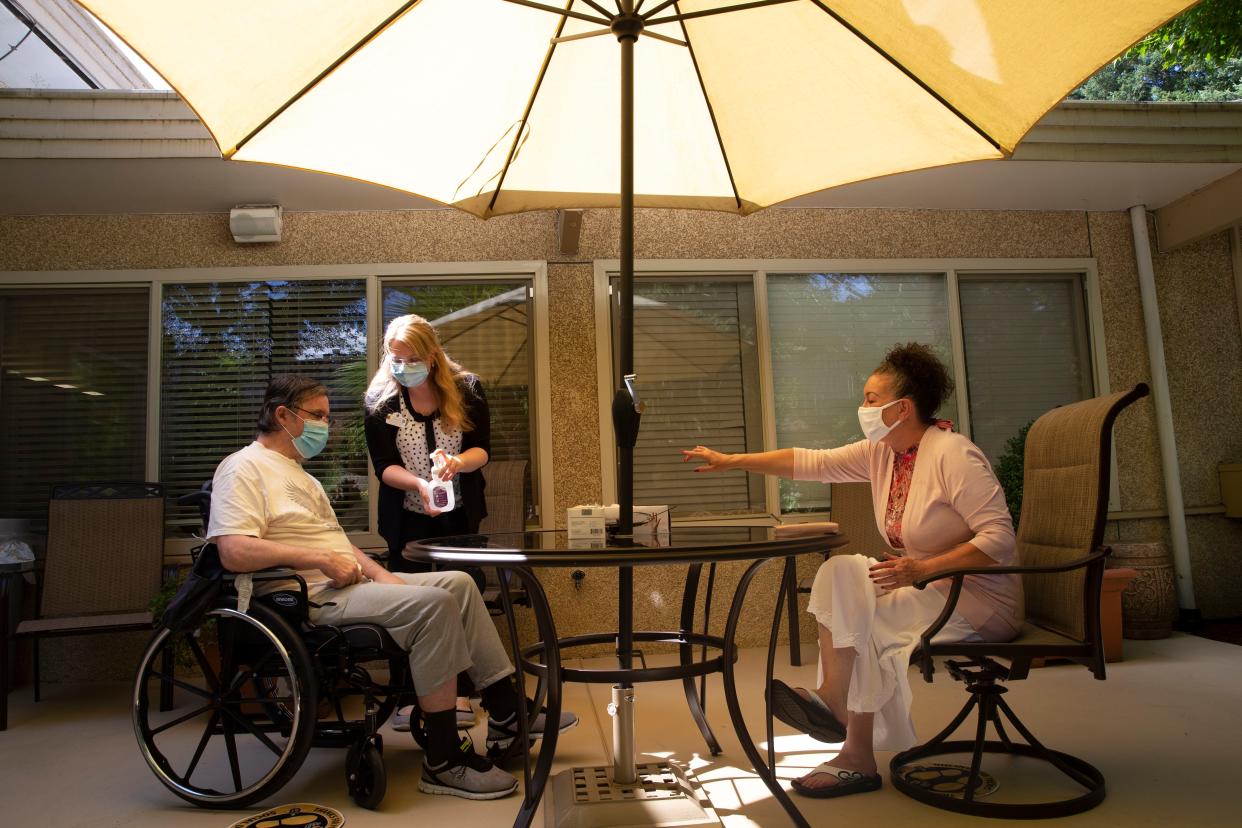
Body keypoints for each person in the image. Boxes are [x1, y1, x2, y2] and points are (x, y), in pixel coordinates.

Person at [682, 342, 1021, 799]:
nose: (862, 408)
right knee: (843, 573)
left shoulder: (953, 455)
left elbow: (999, 540)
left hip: (980, 601)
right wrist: (733, 461)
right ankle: (834, 698)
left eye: (870, 399)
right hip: (929, 588)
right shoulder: (886, 453)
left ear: (903, 408)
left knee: (864, 621)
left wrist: (922, 568)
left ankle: (855, 752)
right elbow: (811, 461)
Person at [209, 375, 558, 800]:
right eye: (318, 416)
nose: (326, 426)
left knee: (459, 584)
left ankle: (505, 711)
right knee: (435, 605)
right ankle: (444, 760)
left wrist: (384, 578)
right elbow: (233, 551)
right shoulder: (242, 467)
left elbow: (339, 547)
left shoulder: (302, 477)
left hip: (344, 584)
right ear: (282, 415)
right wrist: (319, 561)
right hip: (304, 599)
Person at [362, 314, 495, 731]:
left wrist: (457, 462)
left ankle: (461, 695)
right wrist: (419, 485)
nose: (403, 366)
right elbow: (383, 467)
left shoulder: (467, 390)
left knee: (463, 594)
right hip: (406, 517)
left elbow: (482, 451)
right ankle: (409, 697)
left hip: (460, 514)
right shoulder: (381, 401)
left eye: (413, 358)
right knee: (407, 603)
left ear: (434, 355)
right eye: (395, 358)